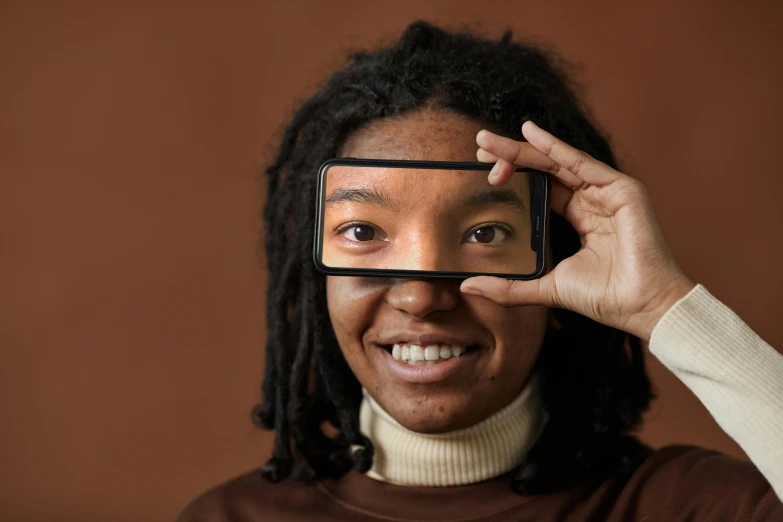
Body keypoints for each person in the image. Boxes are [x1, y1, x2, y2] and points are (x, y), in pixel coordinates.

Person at [176, 21, 783, 521]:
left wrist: (664, 307)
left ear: (561, 259)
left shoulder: (684, 507)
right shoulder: (230, 516)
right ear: (316, 275)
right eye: (362, 233)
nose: (420, 297)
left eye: (484, 233)